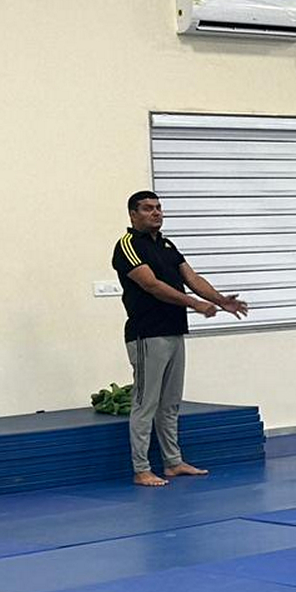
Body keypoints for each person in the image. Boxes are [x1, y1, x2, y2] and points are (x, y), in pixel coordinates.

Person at [112, 190, 248, 487]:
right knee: (145, 403)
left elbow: (192, 278)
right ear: (133, 214)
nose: (156, 213)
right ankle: (141, 469)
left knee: (170, 403)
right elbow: (152, 285)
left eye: (159, 208)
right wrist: (194, 304)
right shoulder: (127, 246)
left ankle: (173, 463)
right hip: (147, 335)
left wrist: (221, 300)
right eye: (148, 209)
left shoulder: (167, 244)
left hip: (174, 331)